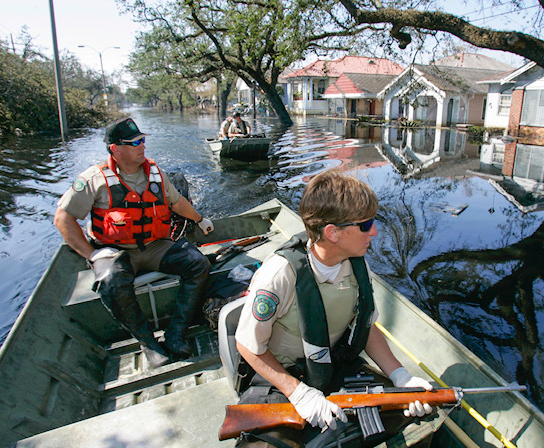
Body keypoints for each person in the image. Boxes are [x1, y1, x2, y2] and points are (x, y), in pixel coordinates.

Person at [234, 170, 434, 447]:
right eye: (366, 225)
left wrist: (400, 376)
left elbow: (367, 326)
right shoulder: (280, 274)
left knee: (408, 406)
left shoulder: (356, 263)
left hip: (333, 366)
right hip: (282, 377)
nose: (374, 231)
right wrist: (299, 393)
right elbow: (247, 345)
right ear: (333, 233)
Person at [54, 117, 215, 369]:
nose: (142, 146)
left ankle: (176, 333)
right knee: (110, 282)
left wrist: (200, 218)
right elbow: (63, 218)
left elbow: (176, 202)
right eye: (135, 142)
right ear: (115, 149)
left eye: (143, 140)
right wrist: (91, 255)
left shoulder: (156, 173)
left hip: (154, 246)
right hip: (115, 251)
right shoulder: (94, 179)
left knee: (198, 264)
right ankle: (148, 342)